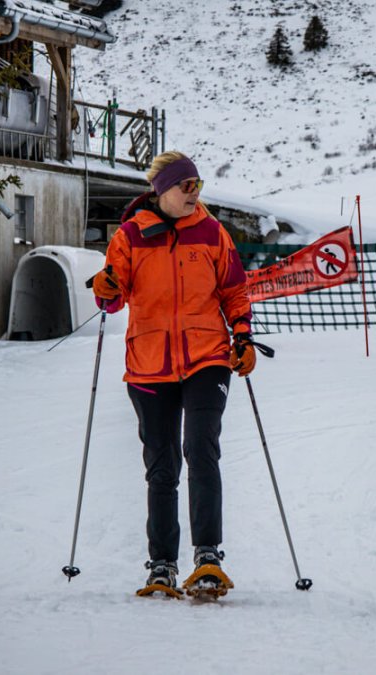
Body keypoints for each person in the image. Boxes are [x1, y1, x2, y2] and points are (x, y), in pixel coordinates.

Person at [91, 151, 256, 594]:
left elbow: (235, 290)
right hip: (149, 363)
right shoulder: (129, 236)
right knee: (161, 466)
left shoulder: (212, 232)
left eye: (198, 185)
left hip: (207, 357)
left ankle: (207, 556)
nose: (194, 194)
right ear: (162, 190)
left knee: (201, 450)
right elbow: (112, 297)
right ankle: (161, 564)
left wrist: (242, 336)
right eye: (186, 186)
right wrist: (105, 291)